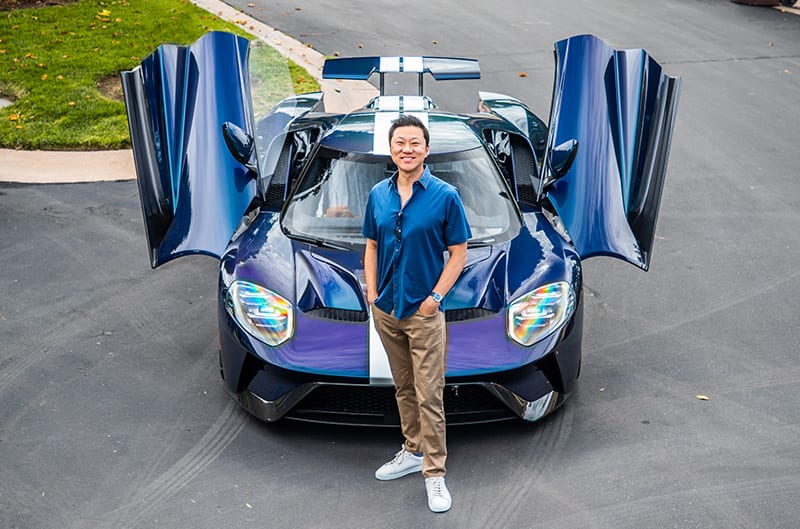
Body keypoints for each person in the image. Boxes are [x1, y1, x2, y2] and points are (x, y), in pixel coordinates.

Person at [362, 114, 471, 513]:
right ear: (391, 149)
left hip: (424, 314)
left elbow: (458, 253)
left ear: (426, 149)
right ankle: (411, 451)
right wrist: (372, 292)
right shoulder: (378, 194)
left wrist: (435, 299)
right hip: (387, 310)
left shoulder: (445, 196)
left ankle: (434, 473)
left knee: (430, 394)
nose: (406, 149)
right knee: (404, 388)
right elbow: (371, 245)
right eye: (399, 143)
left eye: (414, 143)